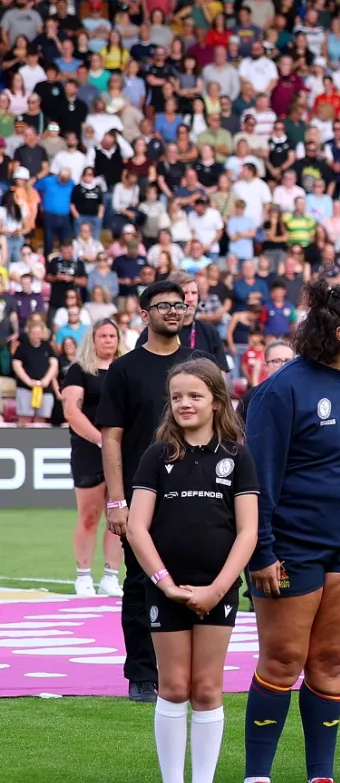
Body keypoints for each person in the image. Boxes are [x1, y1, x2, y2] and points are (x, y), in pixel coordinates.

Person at [239, 280, 340, 783]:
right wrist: (262, 553)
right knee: (282, 661)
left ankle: (319, 780)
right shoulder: (281, 391)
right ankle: (256, 781)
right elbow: (258, 482)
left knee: (328, 662)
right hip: (292, 549)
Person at [124, 357, 259, 783]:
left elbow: (247, 532)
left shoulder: (237, 456)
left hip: (217, 592)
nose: (185, 403)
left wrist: (218, 589)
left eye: (195, 396)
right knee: (174, 685)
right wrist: (166, 584)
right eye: (177, 396)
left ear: (216, 401)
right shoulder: (157, 455)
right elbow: (137, 528)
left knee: (206, 687)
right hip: (166, 592)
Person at [96, 286, 195, 701]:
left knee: (195, 577)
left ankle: (189, 668)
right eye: (163, 306)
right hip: (142, 497)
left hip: (198, 493)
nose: (173, 311)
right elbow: (111, 438)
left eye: (178, 305)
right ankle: (141, 673)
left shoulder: (199, 364)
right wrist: (116, 500)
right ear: (144, 315)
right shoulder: (125, 369)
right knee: (140, 583)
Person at [48, 319, 105, 598]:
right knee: (89, 515)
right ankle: (84, 575)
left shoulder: (124, 370)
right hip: (88, 450)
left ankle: (111, 576)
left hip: (123, 451)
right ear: (92, 340)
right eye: (102, 336)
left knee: (121, 516)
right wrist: (101, 440)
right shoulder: (78, 370)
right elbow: (71, 411)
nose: (108, 340)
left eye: (113, 336)